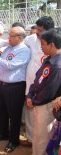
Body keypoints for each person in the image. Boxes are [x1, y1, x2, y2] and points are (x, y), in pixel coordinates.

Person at [0, 26, 30, 153]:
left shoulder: (24, 51)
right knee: (1, 111)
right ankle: (2, 133)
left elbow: (10, 65)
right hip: (2, 85)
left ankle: (13, 140)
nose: (8, 38)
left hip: (15, 87)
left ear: (20, 38)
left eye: (11, 36)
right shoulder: (8, 48)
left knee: (14, 115)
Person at [20, 16, 55, 147]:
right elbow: (18, 42)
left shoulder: (55, 42)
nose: (37, 32)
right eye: (37, 29)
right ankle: (30, 139)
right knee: (30, 113)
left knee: (45, 116)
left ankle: (46, 144)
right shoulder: (31, 39)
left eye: (40, 30)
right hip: (30, 84)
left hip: (47, 86)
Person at [26, 29, 61, 155]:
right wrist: (30, 94)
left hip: (46, 106)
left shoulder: (58, 65)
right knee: (39, 136)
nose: (41, 47)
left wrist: (33, 100)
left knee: (43, 138)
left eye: (43, 44)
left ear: (52, 45)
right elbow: (37, 79)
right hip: (39, 103)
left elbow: (49, 91)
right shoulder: (49, 59)